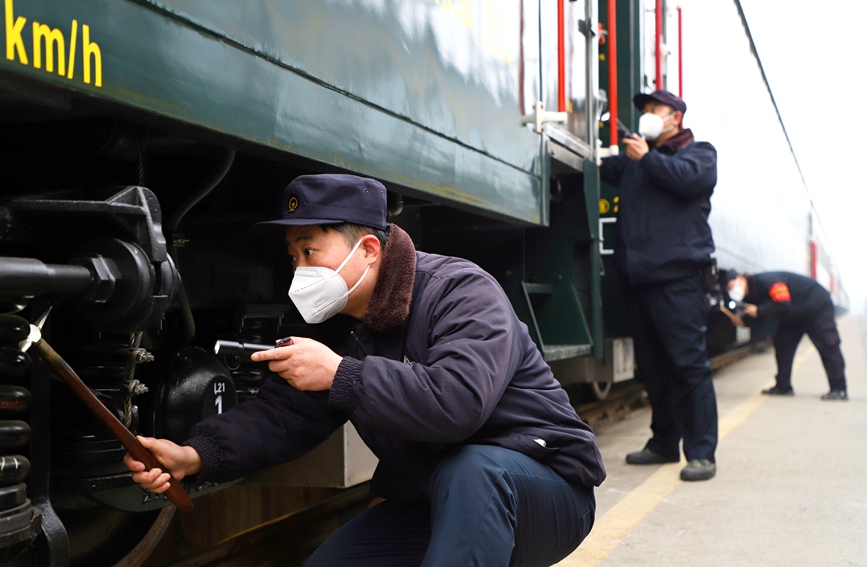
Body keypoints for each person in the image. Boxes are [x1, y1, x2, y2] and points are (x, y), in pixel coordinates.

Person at [124, 173, 606, 565]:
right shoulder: (336, 324)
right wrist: (195, 455)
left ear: (369, 251)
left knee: (472, 469)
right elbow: (282, 417)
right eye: (292, 257)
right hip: (436, 498)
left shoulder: (460, 292)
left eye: (310, 252)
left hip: (544, 492)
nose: (298, 271)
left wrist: (340, 374)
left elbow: (456, 405)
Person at [600, 89, 719, 481]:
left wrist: (646, 158)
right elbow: (602, 168)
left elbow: (686, 181)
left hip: (678, 281)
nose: (648, 115)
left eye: (655, 109)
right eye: (645, 110)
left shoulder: (700, 154)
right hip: (639, 281)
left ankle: (701, 453)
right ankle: (664, 442)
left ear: (676, 118)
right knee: (653, 369)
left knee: (688, 367)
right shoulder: (636, 160)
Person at [722, 269, 848, 400]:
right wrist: (743, 321)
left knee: (828, 345)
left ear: (740, 278)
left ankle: (839, 389)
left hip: (816, 306)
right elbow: (762, 315)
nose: (733, 290)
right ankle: (783, 386)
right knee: (783, 345)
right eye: (729, 289)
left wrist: (758, 310)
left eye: (732, 286)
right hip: (794, 315)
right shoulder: (752, 294)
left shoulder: (768, 281)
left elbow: (782, 303)